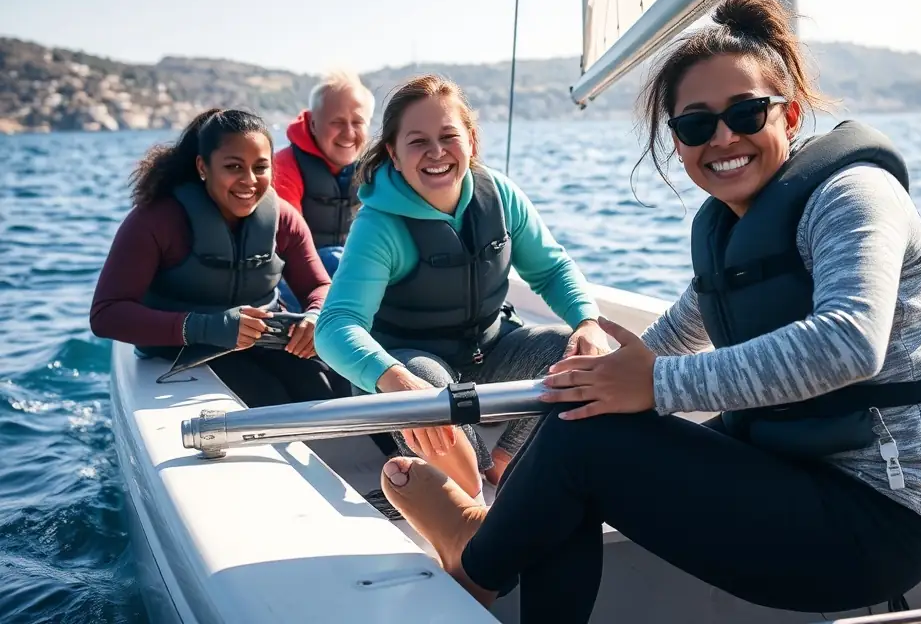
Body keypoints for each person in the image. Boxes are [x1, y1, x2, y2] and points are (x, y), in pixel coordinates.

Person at [374, 0, 921, 623]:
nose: (722, 137)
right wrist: (601, 361)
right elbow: (678, 332)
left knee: (591, 443)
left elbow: (850, 342)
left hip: (876, 521)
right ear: (678, 140)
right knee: (585, 415)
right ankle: (491, 548)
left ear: (791, 117)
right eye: (696, 124)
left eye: (746, 113)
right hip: (798, 476)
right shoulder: (734, 228)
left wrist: (653, 384)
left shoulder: (852, 195)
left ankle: (478, 562)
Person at [313, 73, 609, 501]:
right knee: (429, 392)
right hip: (409, 371)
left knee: (573, 349)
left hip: (486, 356)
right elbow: (335, 326)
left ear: (470, 139)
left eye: (448, 135)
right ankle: (471, 497)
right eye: (417, 141)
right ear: (393, 154)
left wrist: (587, 321)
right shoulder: (379, 226)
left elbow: (551, 270)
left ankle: (505, 458)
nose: (436, 152)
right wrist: (395, 380)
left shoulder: (502, 197)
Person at [90, 107, 344, 408]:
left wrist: (315, 317)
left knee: (326, 385)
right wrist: (208, 327)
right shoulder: (155, 221)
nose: (249, 180)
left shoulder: (283, 221)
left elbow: (319, 287)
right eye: (234, 167)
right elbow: (106, 314)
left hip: (263, 341)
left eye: (260, 167)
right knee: (265, 393)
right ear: (203, 167)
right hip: (181, 351)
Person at [272, 71, 374, 310]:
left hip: (355, 277)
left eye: (358, 122)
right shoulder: (284, 166)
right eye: (337, 122)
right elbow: (284, 245)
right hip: (295, 280)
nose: (349, 133)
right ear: (314, 124)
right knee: (335, 259)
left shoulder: (379, 169)